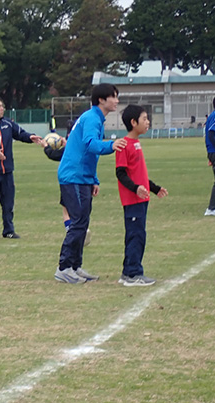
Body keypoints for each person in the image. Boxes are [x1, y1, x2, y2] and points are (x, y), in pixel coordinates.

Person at [54, 83, 126, 284]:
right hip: (73, 176)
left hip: (83, 177)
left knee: (83, 222)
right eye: (113, 97)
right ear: (101, 100)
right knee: (78, 222)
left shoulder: (96, 118)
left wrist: (93, 179)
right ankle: (64, 268)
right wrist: (112, 145)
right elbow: (90, 144)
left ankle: (75, 266)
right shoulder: (92, 118)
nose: (117, 101)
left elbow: (89, 154)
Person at [0, 94, 43, 240]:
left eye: (2, 106)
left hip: (7, 171)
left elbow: (20, 133)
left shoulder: (7, 124)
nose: (2, 109)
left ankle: (8, 230)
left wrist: (30, 137)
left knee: (8, 203)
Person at [114, 105, 168, 287]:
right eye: (144, 119)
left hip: (141, 199)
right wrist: (135, 188)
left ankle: (127, 272)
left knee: (137, 235)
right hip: (133, 200)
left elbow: (140, 175)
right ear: (133, 122)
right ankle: (133, 274)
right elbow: (121, 173)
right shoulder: (123, 145)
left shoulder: (136, 143)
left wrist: (154, 188)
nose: (148, 122)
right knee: (135, 236)